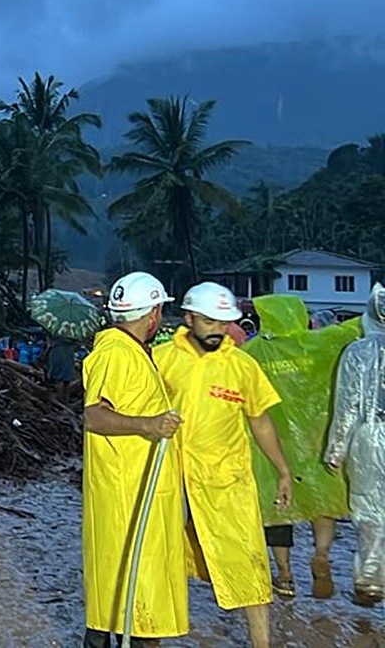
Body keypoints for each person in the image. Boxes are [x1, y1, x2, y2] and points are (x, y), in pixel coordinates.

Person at [155, 282, 289, 648]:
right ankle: (151, 636)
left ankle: (261, 644)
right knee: (162, 559)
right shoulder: (162, 360)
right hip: (172, 478)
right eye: (209, 321)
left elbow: (260, 421)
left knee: (247, 561)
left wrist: (282, 470)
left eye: (223, 322)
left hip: (226, 481)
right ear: (189, 318)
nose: (218, 329)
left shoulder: (242, 366)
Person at [82, 271, 187, 648]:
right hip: (126, 495)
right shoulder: (115, 353)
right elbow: (94, 415)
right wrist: (149, 425)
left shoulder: (133, 351)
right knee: (136, 598)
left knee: (122, 592)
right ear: (153, 313)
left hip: (137, 491)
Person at [242, 294, 358, 601]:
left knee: (278, 509)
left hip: (271, 446)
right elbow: (354, 328)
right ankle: (321, 553)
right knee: (323, 502)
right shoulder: (319, 343)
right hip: (314, 440)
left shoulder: (252, 353)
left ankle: (285, 575)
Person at [325, 284, 385, 605]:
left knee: (369, 511)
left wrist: (336, 450)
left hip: (369, 440)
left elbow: (347, 405)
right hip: (370, 435)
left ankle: (371, 581)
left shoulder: (358, 352)